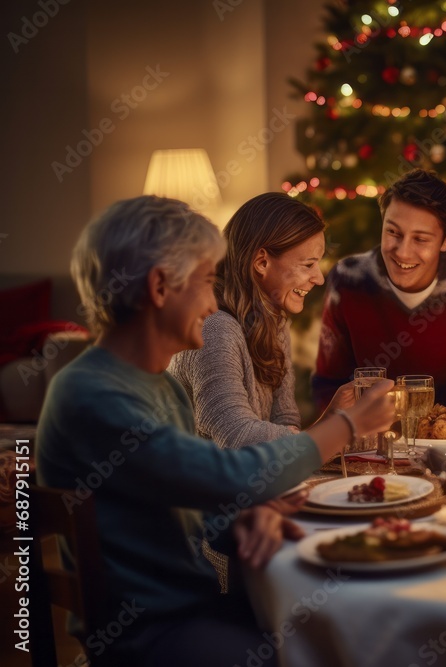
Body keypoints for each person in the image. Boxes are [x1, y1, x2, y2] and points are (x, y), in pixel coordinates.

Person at [36, 195, 394, 667]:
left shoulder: (158, 383)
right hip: (149, 635)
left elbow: (187, 498)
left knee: (336, 631)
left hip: (194, 608)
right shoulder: (92, 396)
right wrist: (344, 426)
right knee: (329, 651)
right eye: (207, 281)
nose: (213, 301)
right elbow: (224, 471)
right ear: (160, 287)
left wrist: (244, 517)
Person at [312, 168, 446, 418]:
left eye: (421, 239)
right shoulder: (348, 279)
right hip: (373, 445)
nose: (403, 252)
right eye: (393, 232)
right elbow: (327, 386)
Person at [169, 192, 353, 448]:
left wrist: (329, 422)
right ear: (262, 262)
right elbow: (236, 435)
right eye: (308, 264)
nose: (319, 279)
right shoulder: (213, 328)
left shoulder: (275, 324)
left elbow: (285, 420)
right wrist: (329, 428)